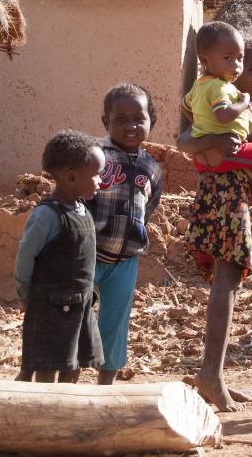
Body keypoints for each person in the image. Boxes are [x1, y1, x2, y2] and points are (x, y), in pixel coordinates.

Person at [178, 37, 252, 412]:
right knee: (227, 280)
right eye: (250, 67)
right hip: (223, 194)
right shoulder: (218, 96)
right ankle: (210, 374)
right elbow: (184, 140)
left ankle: (214, 372)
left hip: (233, 195)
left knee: (229, 280)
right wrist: (216, 140)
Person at [13, 130, 106, 383]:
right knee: (48, 365)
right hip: (52, 307)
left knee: (74, 364)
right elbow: (25, 257)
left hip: (81, 304)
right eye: (96, 176)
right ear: (72, 177)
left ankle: (64, 413)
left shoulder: (82, 210)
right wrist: (25, 294)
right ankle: (43, 414)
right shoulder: (46, 216)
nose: (100, 182)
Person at [89, 84, 164, 385]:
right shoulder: (96, 156)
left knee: (115, 323)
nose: (130, 126)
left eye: (138, 118)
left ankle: (104, 387)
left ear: (151, 122)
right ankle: (60, 383)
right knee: (73, 314)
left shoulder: (152, 168)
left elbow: (149, 208)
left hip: (125, 260)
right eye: (120, 119)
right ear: (105, 122)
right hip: (88, 253)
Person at [181, 21, 252, 216]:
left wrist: (201, 124)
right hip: (230, 184)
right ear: (206, 61)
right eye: (228, 58)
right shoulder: (221, 88)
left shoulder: (199, 87)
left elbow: (184, 105)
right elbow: (185, 140)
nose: (236, 66)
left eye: (240, 59)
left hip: (212, 173)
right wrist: (214, 137)